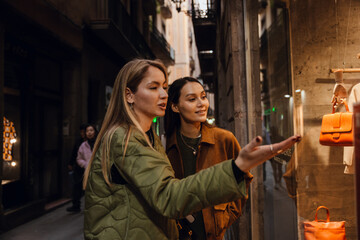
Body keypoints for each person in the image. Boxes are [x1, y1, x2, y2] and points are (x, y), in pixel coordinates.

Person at [83, 59, 300, 240]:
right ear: (129, 95)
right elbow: (168, 196)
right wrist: (237, 166)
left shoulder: (148, 138)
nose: (163, 95)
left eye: (165, 88)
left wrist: (220, 220)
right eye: (153, 87)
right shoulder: (126, 138)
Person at [164, 77, 251, 239]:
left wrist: (224, 217)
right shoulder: (165, 144)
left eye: (203, 97)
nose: (201, 103)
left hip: (215, 234)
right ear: (175, 107)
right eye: (192, 99)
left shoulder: (224, 139)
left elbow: (243, 180)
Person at [68, 124, 98, 212]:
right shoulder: (83, 145)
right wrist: (85, 164)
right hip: (86, 171)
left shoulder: (99, 142)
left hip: (98, 170)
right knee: (86, 190)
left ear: (95, 132)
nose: (89, 133)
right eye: (87, 131)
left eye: (91, 130)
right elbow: (78, 157)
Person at [66, 124, 87, 212]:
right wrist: (71, 163)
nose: (82, 134)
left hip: (89, 167)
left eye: (83, 132)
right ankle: (76, 205)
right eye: (81, 132)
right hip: (79, 167)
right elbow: (75, 153)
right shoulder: (79, 142)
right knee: (77, 186)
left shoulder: (92, 141)